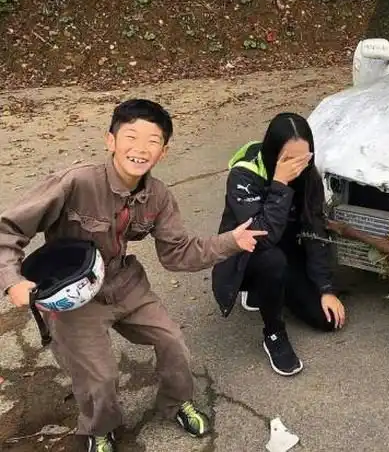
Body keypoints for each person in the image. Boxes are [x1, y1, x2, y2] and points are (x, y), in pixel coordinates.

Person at [0, 99, 267, 452]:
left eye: (152, 141)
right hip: (74, 295)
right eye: (131, 136)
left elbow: (178, 252)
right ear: (110, 140)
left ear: (163, 151)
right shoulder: (76, 182)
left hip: (124, 282)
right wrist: (13, 281)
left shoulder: (158, 196)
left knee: (173, 342)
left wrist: (231, 241)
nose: (140, 149)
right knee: (100, 377)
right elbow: (8, 229)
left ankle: (176, 402)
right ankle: (99, 428)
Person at [211, 112, 346, 377]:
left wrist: (325, 288)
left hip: (287, 249)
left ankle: (268, 290)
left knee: (327, 321)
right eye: (288, 159)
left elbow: (315, 228)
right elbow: (263, 236)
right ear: (273, 152)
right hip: (248, 255)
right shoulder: (243, 175)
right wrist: (280, 183)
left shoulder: (309, 174)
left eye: (303, 158)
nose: (297, 166)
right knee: (271, 259)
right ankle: (274, 333)